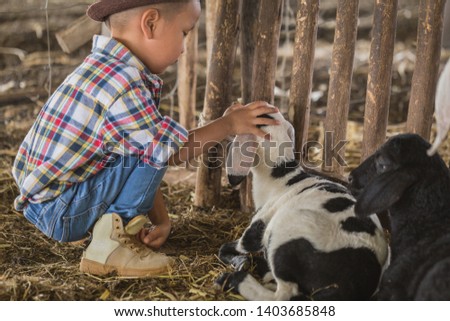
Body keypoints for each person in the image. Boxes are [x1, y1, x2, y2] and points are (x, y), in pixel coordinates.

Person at [12, 0, 279, 277]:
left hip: (49, 201)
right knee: (160, 143)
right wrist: (229, 125)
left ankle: (109, 232)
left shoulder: (102, 69)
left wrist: (161, 222)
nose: (184, 47)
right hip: (63, 209)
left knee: (152, 144)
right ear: (150, 23)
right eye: (184, 33)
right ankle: (111, 248)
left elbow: (145, 154)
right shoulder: (124, 84)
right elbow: (170, 151)